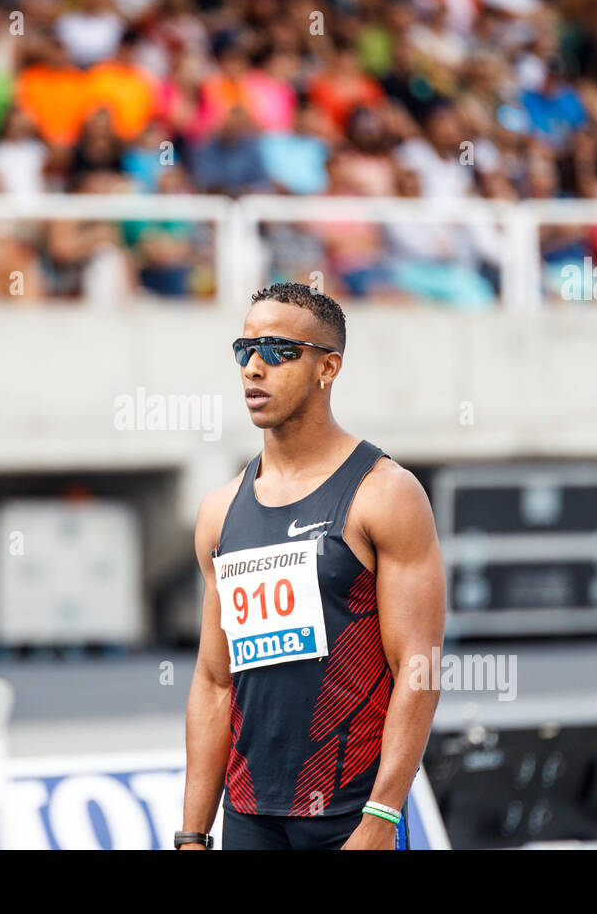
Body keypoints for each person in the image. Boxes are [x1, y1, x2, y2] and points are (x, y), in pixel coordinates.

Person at [179, 282, 446, 850]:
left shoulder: (385, 495)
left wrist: (383, 815)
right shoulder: (219, 511)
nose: (253, 368)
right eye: (243, 350)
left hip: (350, 814)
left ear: (328, 368)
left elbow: (418, 669)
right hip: (250, 818)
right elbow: (213, 681)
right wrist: (192, 834)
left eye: (277, 351)